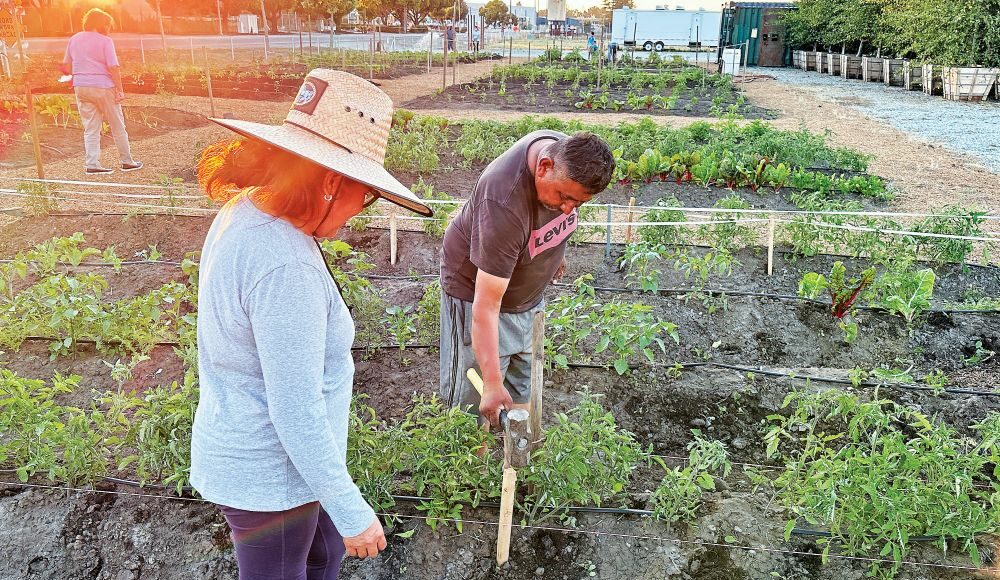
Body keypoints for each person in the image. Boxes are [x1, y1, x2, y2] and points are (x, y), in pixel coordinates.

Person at [190, 68, 432, 579]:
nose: (359, 211)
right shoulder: (286, 267)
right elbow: (294, 407)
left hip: (279, 468)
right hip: (273, 477)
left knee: (324, 556)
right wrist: (351, 510)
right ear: (329, 181)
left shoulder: (246, 212)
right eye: (364, 195)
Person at [439, 131, 615, 426]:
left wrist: (552, 256)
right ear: (544, 167)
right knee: (475, 406)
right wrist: (492, 383)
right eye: (565, 197)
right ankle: (472, 465)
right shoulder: (503, 201)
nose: (569, 208)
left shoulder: (567, 155)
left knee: (523, 392)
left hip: (527, 300)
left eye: (579, 204)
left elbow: (553, 222)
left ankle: (519, 454)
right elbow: (486, 307)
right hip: (476, 295)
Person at [58, 8, 142, 175]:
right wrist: (120, 90)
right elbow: (113, 67)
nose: (109, 27)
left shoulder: (74, 39)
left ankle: (92, 163)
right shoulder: (105, 41)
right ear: (102, 24)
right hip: (103, 86)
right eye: (108, 24)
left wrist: (75, 79)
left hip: (81, 86)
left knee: (90, 127)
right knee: (117, 125)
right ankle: (127, 161)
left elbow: (66, 65)